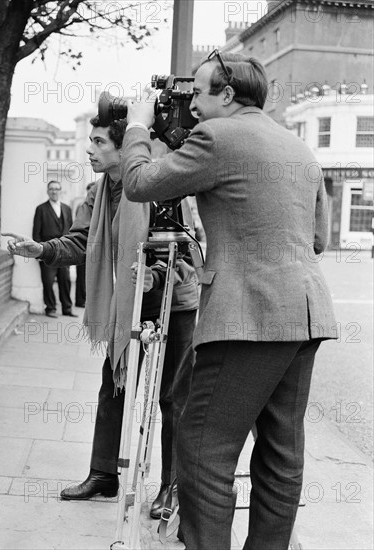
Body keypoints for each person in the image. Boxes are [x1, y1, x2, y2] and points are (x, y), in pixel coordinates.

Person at [122, 51, 337, 549]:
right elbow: (317, 241)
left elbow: (138, 183)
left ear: (227, 94)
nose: (191, 104)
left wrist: (137, 128)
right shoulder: (298, 147)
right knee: (281, 456)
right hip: (304, 315)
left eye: (198, 92)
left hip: (246, 318)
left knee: (202, 452)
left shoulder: (218, 138)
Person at [3, 116, 199, 518]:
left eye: (98, 142)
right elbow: (80, 241)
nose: (89, 149)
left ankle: (171, 487)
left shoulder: (161, 183)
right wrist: (41, 250)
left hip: (172, 300)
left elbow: (186, 249)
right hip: (127, 297)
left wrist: (154, 275)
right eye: (89, 141)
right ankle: (103, 475)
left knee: (171, 398)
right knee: (113, 387)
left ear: (123, 148)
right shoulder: (97, 192)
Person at [32, 180, 76, 318]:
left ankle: (67, 309)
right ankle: (50, 308)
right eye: (51, 189)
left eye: (57, 189)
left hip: (64, 252)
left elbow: (71, 231)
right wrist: (39, 252)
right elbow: (36, 232)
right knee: (48, 281)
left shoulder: (67, 209)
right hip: (47, 252)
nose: (54, 191)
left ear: (60, 191)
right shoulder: (41, 209)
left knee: (65, 281)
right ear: (47, 191)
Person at [74, 182, 95, 308]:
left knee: (89, 274)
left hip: (91, 245)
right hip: (82, 244)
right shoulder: (82, 206)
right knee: (81, 274)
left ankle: (86, 299)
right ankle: (80, 300)